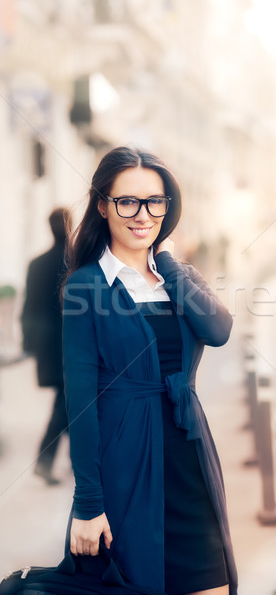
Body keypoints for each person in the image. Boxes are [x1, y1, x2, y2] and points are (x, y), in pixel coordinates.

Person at [62, 147, 238, 595]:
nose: (143, 214)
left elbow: (218, 330)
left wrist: (169, 265)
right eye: (128, 201)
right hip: (127, 465)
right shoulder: (88, 285)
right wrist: (88, 503)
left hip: (189, 457)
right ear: (103, 206)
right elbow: (80, 400)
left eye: (155, 201)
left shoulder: (178, 274)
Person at [21, 207, 71, 486]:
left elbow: (28, 308)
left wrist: (30, 345)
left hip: (47, 349)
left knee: (68, 402)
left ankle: (74, 461)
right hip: (70, 347)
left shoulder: (36, 264)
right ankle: (45, 460)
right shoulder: (75, 262)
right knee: (67, 404)